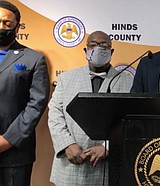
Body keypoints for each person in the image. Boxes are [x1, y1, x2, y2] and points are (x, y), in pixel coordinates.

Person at [48, 31, 133, 186]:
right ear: (85, 50)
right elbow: (55, 114)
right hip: (71, 166)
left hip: (109, 168)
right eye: (93, 45)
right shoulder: (66, 78)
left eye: (104, 46)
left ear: (111, 51)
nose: (98, 49)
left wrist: (109, 146)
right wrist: (67, 144)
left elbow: (131, 121)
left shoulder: (128, 82)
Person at [0, 1, 50, 186]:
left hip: (15, 153)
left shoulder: (34, 59)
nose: (2, 27)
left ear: (17, 26)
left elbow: (36, 104)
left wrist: (7, 140)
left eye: (7, 23)